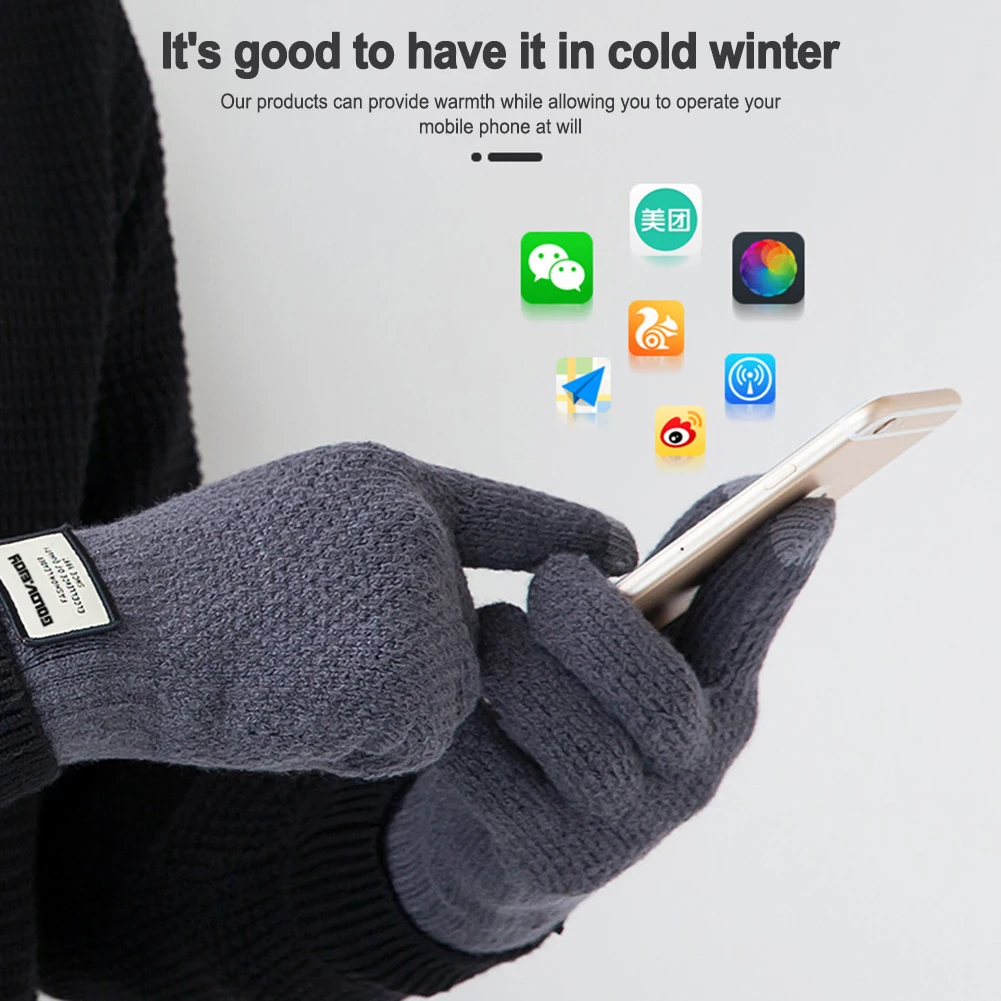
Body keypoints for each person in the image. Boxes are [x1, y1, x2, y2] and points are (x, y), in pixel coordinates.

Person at [0, 3, 835, 999]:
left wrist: (444, 870)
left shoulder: (51, 36)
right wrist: (55, 649)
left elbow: (79, 849)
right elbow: (71, 663)